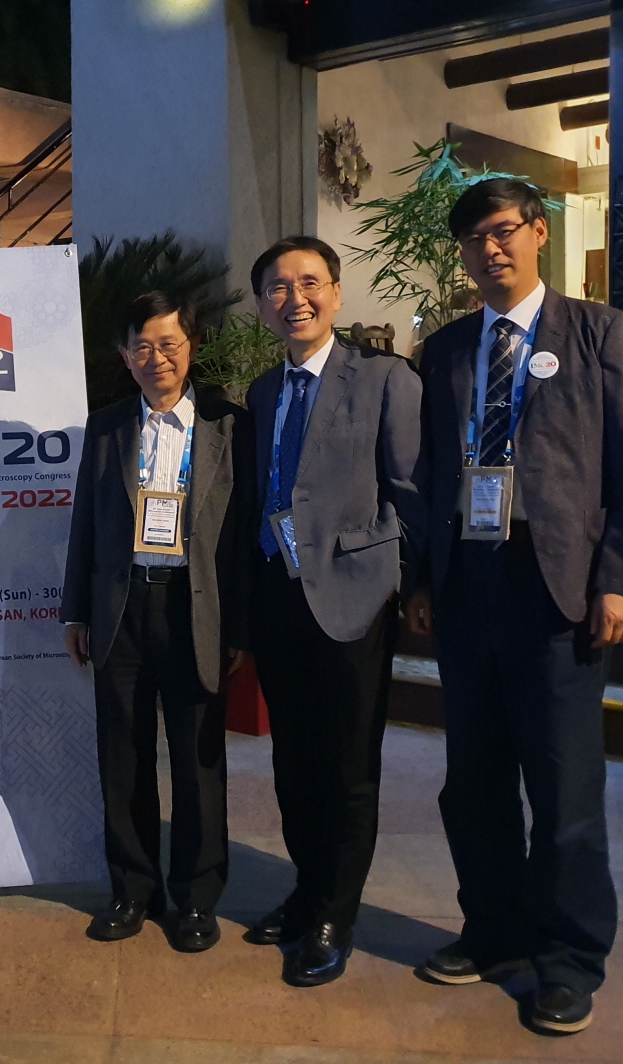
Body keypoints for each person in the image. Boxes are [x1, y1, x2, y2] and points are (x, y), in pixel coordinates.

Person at [407, 179, 623, 1034]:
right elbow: (429, 473)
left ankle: (568, 959)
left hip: (559, 588)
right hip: (468, 584)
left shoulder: (600, 333)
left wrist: (622, 577)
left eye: (502, 231)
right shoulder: (444, 349)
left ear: (537, 232)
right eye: (472, 239)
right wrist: (423, 579)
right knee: (473, 782)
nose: (489, 249)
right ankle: (491, 932)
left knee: (563, 786)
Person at [243, 236, 425, 986]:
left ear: (336, 293)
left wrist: (406, 584)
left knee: (347, 765)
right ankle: (306, 889)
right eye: (278, 288)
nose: (296, 299)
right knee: (293, 761)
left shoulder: (383, 378)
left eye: (309, 283)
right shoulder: (262, 391)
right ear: (262, 304)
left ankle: (333, 915)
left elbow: (410, 489)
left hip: (354, 596)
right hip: (277, 594)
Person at [62, 291, 255, 951]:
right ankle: (132, 890)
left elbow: (241, 537)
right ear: (125, 356)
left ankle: (196, 899)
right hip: (121, 610)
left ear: (190, 347)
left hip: (195, 609)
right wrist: (74, 612)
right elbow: (85, 525)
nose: (156, 358)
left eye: (168, 344)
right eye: (141, 347)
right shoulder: (106, 427)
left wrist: (240, 627)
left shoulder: (229, 426)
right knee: (123, 757)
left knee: (199, 761)